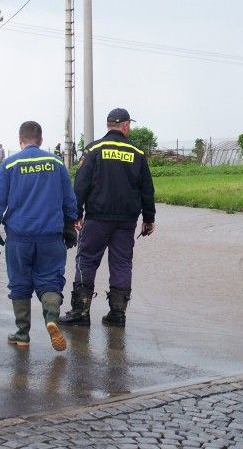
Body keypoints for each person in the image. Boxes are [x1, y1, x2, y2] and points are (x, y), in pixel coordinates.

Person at [0, 121, 79, 351]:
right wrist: (69, 225)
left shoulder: (9, 164)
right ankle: (51, 319)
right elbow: (69, 199)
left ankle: (22, 334)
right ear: (41, 139)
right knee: (50, 280)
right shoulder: (57, 163)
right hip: (50, 235)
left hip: (19, 236)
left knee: (19, 282)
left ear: (20, 140)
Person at [59, 108, 155, 328]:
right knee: (122, 263)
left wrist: (75, 215)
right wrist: (148, 219)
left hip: (98, 218)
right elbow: (147, 189)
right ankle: (117, 314)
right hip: (126, 221)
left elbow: (81, 184)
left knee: (87, 259)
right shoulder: (137, 153)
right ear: (125, 126)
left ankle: (81, 311)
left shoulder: (94, 149)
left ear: (108, 125)